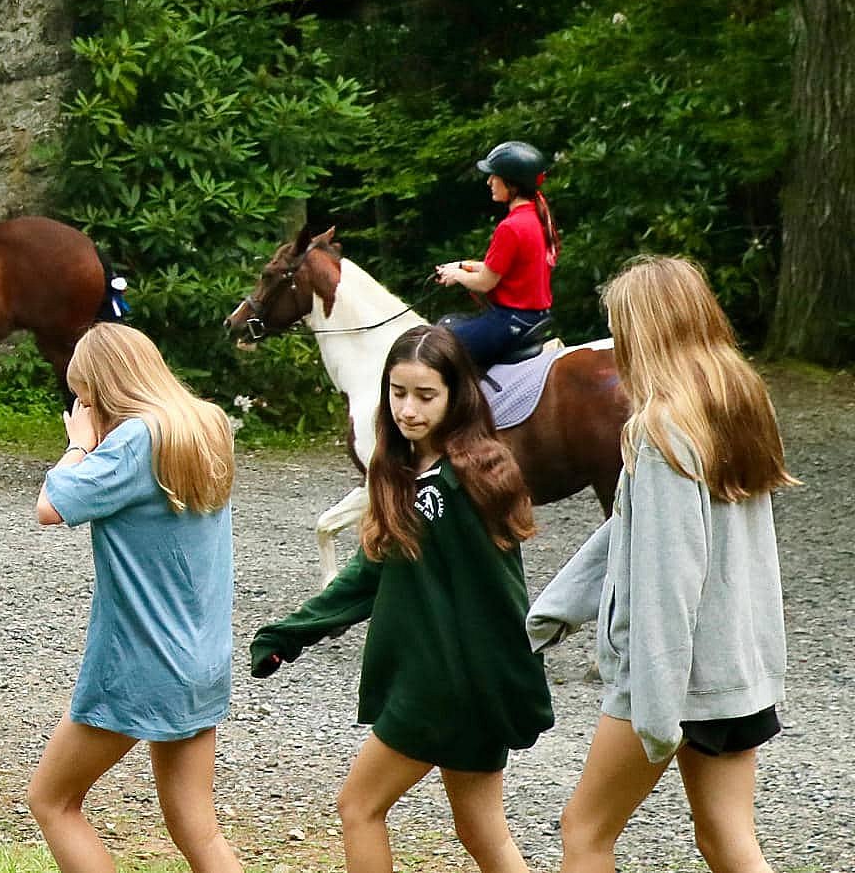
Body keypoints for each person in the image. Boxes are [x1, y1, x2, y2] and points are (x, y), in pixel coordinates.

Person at [250, 324, 550, 873]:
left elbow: (502, 594)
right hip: (453, 688)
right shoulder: (407, 471)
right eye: (398, 392)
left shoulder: (468, 480)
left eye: (425, 395)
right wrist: (289, 635)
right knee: (483, 832)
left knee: (359, 807)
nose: (408, 409)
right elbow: (368, 575)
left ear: (456, 395)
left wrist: (521, 689)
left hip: (443, 688)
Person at [528, 256, 793, 873]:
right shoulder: (736, 405)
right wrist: (550, 614)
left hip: (671, 682)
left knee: (584, 833)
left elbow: (669, 579)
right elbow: (628, 533)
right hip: (736, 671)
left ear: (646, 333)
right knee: (726, 838)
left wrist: (653, 708)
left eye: (621, 332)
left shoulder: (662, 430)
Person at [30, 322, 240, 873]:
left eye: (84, 399)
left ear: (104, 393)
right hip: (201, 661)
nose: (82, 409)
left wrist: (78, 444)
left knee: (52, 801)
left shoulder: (135, 441)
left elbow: (51, 505)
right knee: (199, 829)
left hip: (139, 664)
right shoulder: (205, 425)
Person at [433, 140, 558, 368]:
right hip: (533, 317)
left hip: (509, 320)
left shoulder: (510, 227)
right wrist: (460, 265)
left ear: (512, 183)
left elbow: (485, 283)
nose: (489, 181)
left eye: (495, 176)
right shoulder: (537, 217)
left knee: (439, 348)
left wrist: (456, 276)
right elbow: (504, 269)